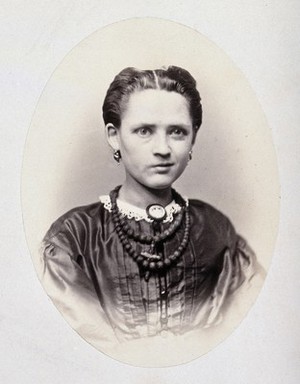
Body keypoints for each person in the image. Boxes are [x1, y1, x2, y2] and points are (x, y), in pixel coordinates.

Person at [40, 66, 262, 356]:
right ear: (114, 136)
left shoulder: (215, 229)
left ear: (193, 138)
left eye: (178, 132)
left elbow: (253, 324)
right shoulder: (72, 237)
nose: (163, 148)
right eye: (144, 131)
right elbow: (76, 348)